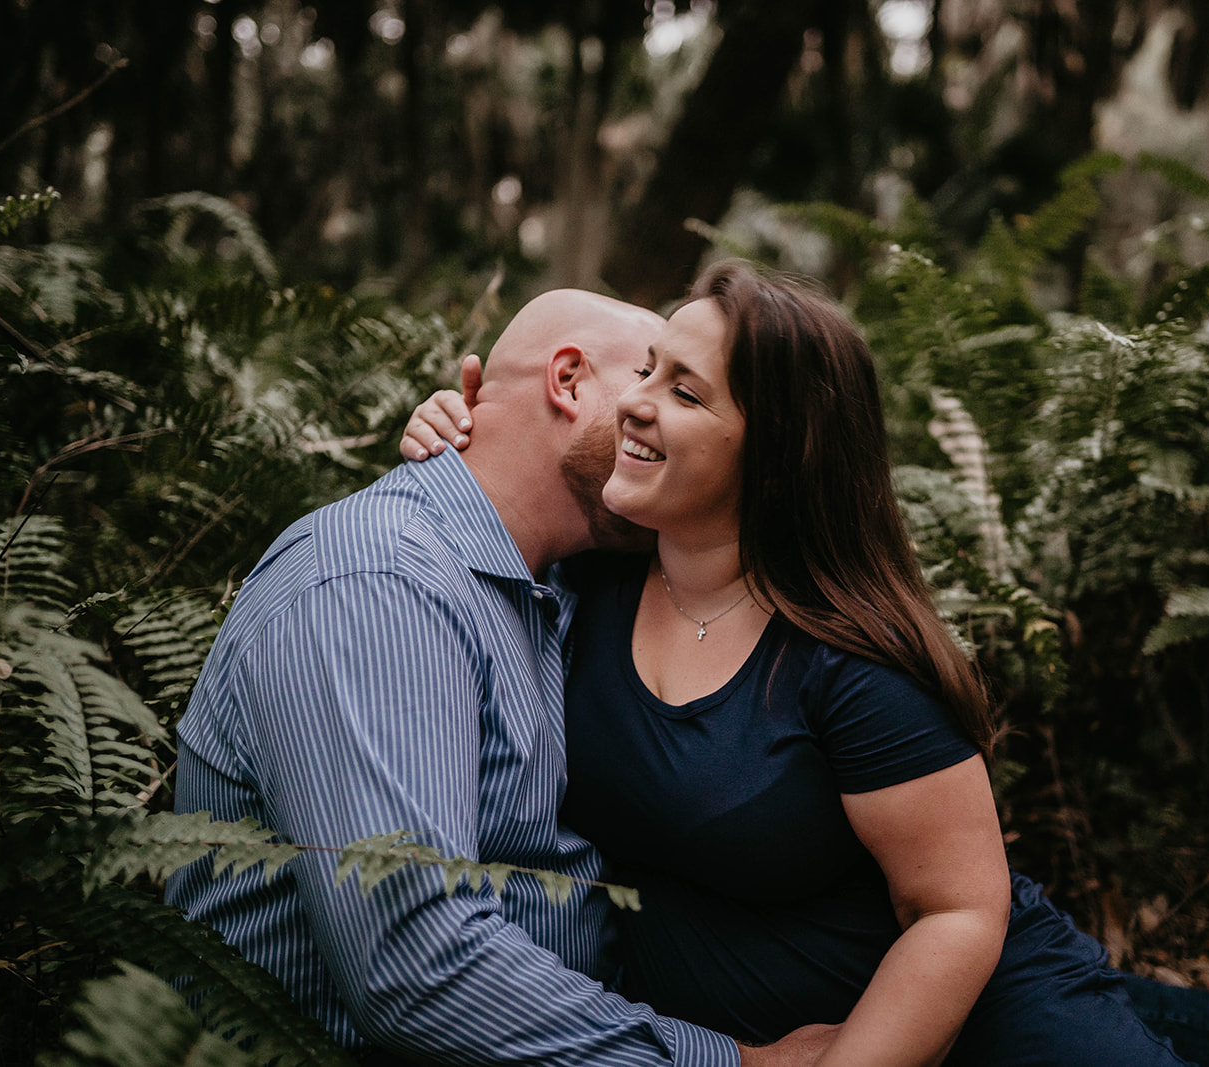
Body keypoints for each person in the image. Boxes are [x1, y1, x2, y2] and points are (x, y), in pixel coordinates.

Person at [404, 262, 1209, 1067]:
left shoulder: (847, 659)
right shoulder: (597, 567)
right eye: (647, 367)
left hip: (953, 996)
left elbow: (960, 909)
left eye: (682, 388)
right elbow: (503, 481)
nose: (634, 403)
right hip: (764, 1003)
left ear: (776, 451)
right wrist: (451, 433)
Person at [166, 288, 837, 1066]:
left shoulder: (565, 586)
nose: (668, 417)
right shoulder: (377, 585)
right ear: (569, 380)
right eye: (651, 376)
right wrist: (736, 1064)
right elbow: (413, 964)